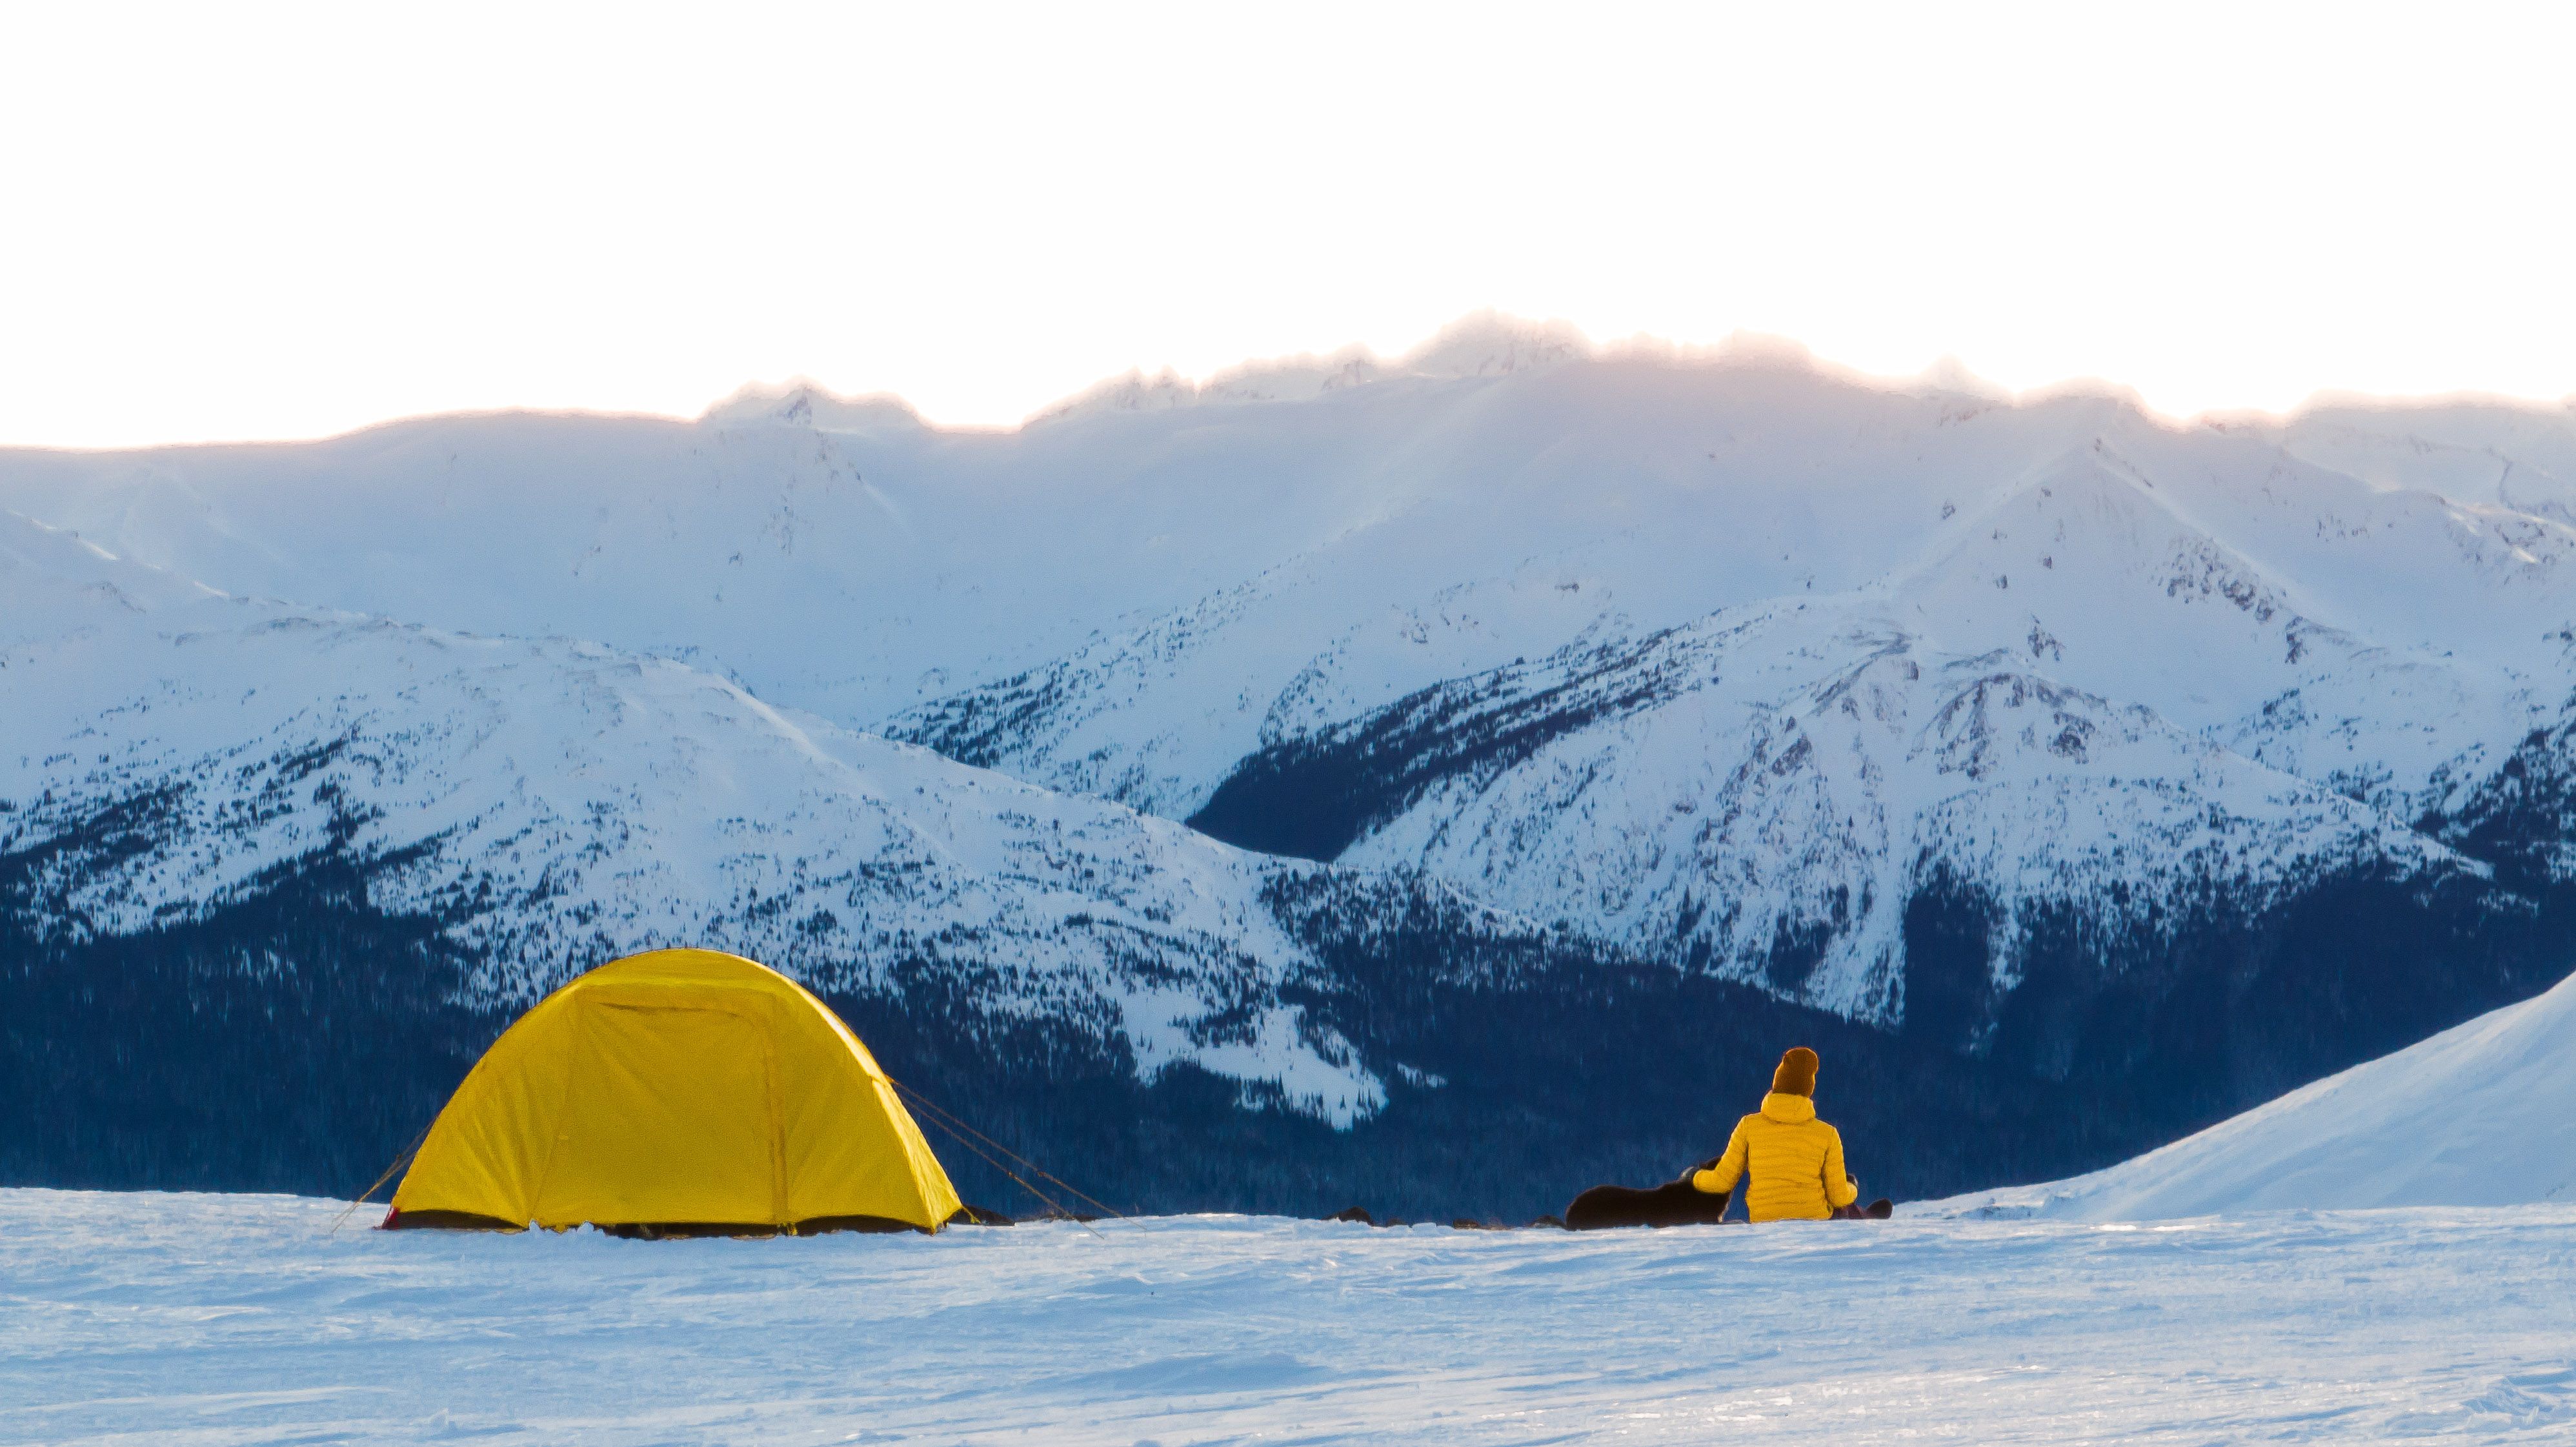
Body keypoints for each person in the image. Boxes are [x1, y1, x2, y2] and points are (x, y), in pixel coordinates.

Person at [1689, 1046, 1866, 1222]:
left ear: (1777, 1082)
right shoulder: (1828, 1134)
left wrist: (1695, 1177)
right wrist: (1853, 1187)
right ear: (1809, 1089)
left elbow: (1722, 1181)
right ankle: (1866, 1216)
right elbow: (1839, 1198)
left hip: (1764, 1221)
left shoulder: (1748, 1126)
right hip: (1815, 1223)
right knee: (1843, 1210)